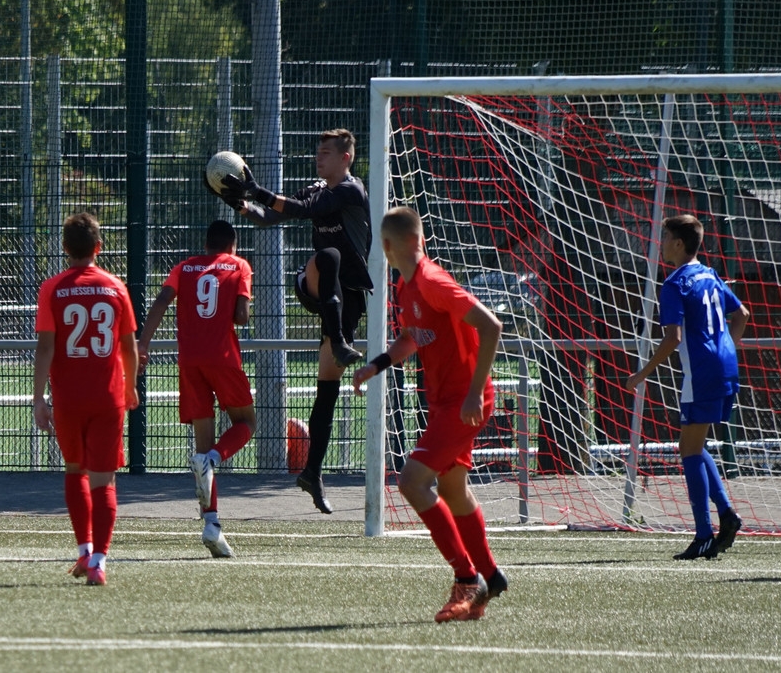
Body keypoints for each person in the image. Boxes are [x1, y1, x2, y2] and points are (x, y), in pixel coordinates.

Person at [353, 206, 508, 623]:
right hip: (446, 401)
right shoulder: (407, 287)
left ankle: (466, 577)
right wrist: (379, 364)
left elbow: (492, 327)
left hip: (463, 401)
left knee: (412, 481)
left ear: (385, 246)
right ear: (418, 239)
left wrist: (475, 394)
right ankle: (491, 577)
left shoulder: (434, 282)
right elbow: (412, 338)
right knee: (454, 490)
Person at [215, 128, 372, 515]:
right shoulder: (316, 188)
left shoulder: (351, 191)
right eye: (318, 152)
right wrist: (243, 205)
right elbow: (273, 216)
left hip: (348, 298)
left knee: (328, 388)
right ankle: (337, 339)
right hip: (315, 282)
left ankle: (312, 472)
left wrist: (254, 191)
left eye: (326, 152)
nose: (319, 158)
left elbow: (295, 209)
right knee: (329, 256)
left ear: (346, 158)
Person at [625, 214, 748, 560]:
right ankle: (726, 514)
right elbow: (742, 316)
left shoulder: (675, 283)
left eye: (664, 237)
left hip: (703, 371)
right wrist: (724, 347)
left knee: (689, 451)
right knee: (695, 444)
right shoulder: (710, 274)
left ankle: (703, 534)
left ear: (679, 243)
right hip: (725, 364)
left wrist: (643, 373)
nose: (660, 243)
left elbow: (673, 337)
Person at [33, 212, 139, 586]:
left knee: (75, 470)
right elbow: (128, 346)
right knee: (104, 480)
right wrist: (129, 386)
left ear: (65, 248)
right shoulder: (115, 287)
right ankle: (98, 560)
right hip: (107, 396)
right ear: (99, 247)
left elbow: (45, 347)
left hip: (69, 397)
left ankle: (83, 550)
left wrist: (38, 399)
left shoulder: (52, 288)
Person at [138, 220, 256, 558]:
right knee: (246, 423)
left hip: (189, 362)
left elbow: (161, 301)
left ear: (206, 244)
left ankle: (212, 525)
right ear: (232, 246)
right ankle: (215, 459)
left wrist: (143, 344)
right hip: (223, 358)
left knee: (200, 446)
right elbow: (242, 317)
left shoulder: (183, 267)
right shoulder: (239, 265)